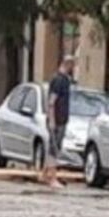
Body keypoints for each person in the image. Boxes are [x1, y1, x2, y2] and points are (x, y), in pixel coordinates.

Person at [41, 55, 75, 188]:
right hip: (57, 120)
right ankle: (52, 178)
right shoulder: (58, 80)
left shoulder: (65, 80)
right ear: (67, 64)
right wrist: (52, 120)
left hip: (62, 119)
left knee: (54, 146)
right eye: (72, 65)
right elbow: (51, 102)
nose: (73, 68)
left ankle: (45, 174)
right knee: (54, 149)